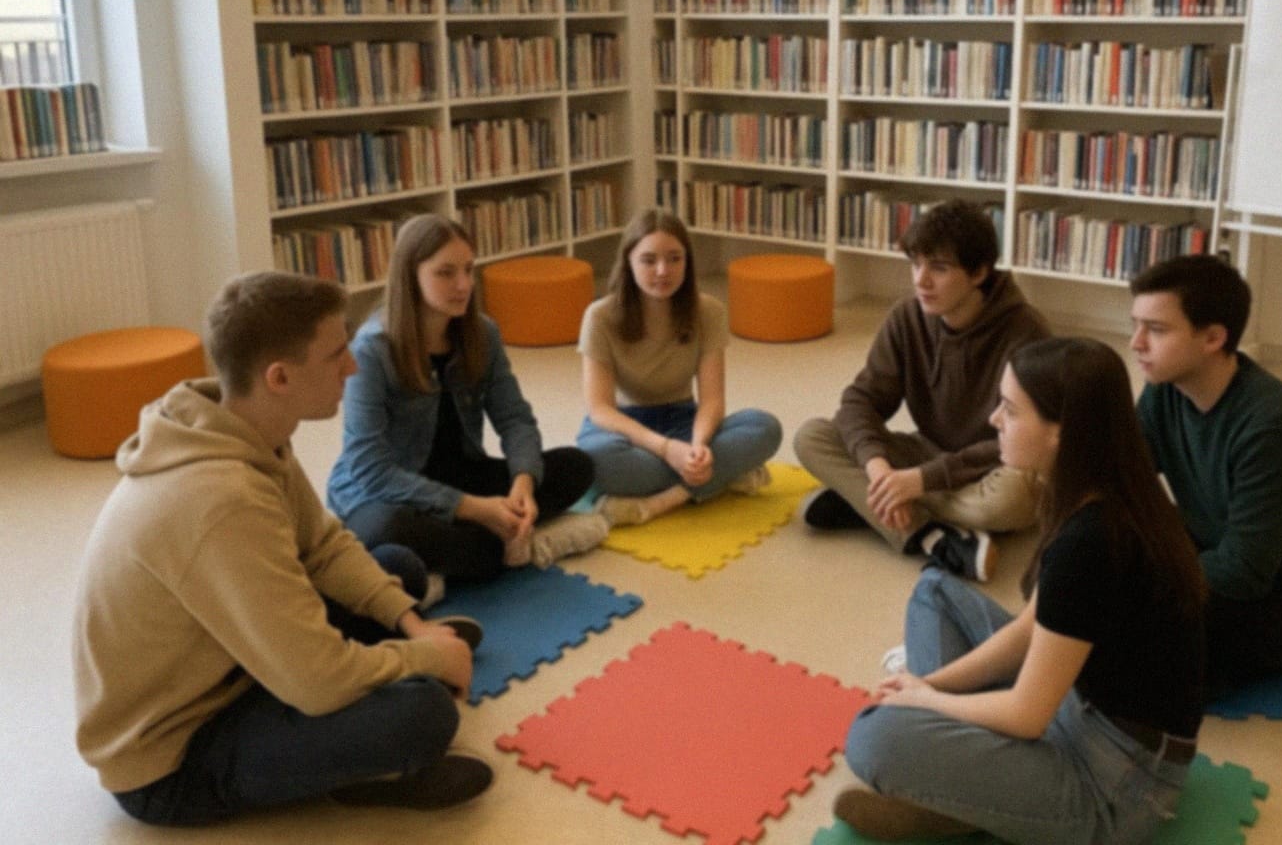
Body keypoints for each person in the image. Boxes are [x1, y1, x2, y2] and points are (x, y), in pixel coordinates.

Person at [73, 272, 491, 826]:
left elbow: (321, 545)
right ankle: (365, 771)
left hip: (229, 663)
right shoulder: (222, 499)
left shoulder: (242, 429)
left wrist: (410, 625)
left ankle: (390, 664)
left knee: (396, 571)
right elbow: (317, 681)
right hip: (172, 756)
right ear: (280, 377)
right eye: (336, 354)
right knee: (424, 715)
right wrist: (427, 658)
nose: (353, 366)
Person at [837, 337, 1207, 844]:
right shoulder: (1096, 490)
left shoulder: (1092, 539)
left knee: (871, 735)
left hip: (1116, 785)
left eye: (1010, 410)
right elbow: (1030, 629)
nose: (994, 421)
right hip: (1075, 706)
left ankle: (965, 802)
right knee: (935, 591)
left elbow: (1026, 714)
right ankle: (976, 793)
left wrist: (927, 704)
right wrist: (932, 686)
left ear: (1062, 432)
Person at [1129, 254, 1282, 699]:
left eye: (1156, 330)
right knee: (1077, 566)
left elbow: (1244, 573)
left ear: (1213, 338)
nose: (1136, 343)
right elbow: (1122, 479)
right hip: (1216, 545)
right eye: (1136, 325)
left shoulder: (1274, 427)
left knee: (1133, 643)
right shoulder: (1164, 388)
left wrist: (1141, 583)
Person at [328, 214, 607, 581]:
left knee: (576, 466)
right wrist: (473, 509)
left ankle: (480, 549)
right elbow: (370, 470)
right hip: (387, 493)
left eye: (468, 270)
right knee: (388, 529)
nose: (463, 285)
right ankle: (504, 545)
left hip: (460, 476)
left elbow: (515, 419)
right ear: (410, 276)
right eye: (445, 273)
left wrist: (522, 484)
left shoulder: (483, 333)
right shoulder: (371, 350)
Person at [794, 199, 1050, 582]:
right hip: (926, 452)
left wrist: (916, 482)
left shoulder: (1026, 332)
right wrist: (878, 468)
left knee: (1013, 500)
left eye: (939, 268)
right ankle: (930, 534)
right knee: (811, 437)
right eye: (916, 264)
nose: (921, 280)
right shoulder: (907, 316)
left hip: (992, 468)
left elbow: (1022, 440)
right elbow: (860, 401)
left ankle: (866, 501)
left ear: (979, 272)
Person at [578, 209, 782, 525]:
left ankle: (665, 500)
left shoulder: (709, 311)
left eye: (675, 259)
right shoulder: (600, 316)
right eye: (649, 260)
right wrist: (667, 449)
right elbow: (601, 410)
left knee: (765, 428)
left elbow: (713, 400)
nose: (663, 270)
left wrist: (698, 447)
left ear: (687, 261)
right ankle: (720, 479)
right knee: (594, 461)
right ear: (629, 262)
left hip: (684, 421)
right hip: (624, 427)